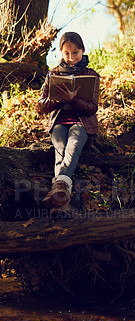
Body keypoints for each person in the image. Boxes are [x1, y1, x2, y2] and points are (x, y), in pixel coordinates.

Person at [38, 31, 100, 215]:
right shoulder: (53, 74)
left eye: (75, 53)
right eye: (66, 53)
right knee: (60, 148)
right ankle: (62, 191)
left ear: (82, 51)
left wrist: (73, 100)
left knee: (72, 146)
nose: (71, 57)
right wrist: (59, 99)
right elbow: (41, 105)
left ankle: (58, 189)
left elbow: (92, 108)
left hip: (81, 122)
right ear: (61, 53)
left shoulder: (91, 75)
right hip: (59, 121)